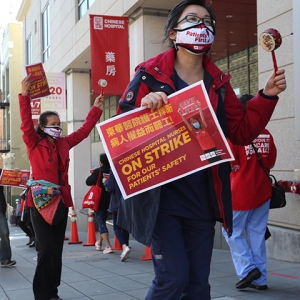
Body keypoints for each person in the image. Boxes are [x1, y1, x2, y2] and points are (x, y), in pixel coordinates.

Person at [115, 1, 286, 299]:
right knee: (173, 280)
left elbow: (241, 132)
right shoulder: (148, 75)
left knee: (198, 286)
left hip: (203, 200)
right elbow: (122, 130)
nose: (201, 26)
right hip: (161, 201)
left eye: (207, 22)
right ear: (173, 31)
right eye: (192, 19)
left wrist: (266, 96)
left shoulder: (218, 83)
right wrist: (145, 106)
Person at [19, 75, 104, 300]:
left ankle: (52, 292)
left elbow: (85, 131)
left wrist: (94, 109)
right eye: (53, 125)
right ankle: (42, 294)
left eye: (59, 124)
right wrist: (24, 96)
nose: (57, 128)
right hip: (38, 202)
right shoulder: (34, 142)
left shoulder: (65, 142)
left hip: (60, 201)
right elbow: (26, 123)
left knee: (56, 251)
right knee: (44, 249)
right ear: (43, 127)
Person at [222, 94, 277, 291]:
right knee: (257, 234)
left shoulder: (236, 136)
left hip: (240, 193)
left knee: (230, 231)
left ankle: (247, 270)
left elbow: (231, 164)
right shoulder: (266, 133)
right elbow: (270, 162)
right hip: (262, 191)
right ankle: (260, 279)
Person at [86, 153, 113, 254]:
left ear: (100, 162)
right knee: (102, 220)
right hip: (111, 199)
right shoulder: (113, 170)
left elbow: (88, 182)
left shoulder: (98, 171)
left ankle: (108, 246)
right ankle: (99, 243)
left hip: (99, 200)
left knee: (101, 222)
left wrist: (94, 173)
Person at [103, 170, 131, 261]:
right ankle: (126, 247)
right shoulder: (128, 165)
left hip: (117, 203)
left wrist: (105, 182)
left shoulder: (114, 169)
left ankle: (124, 247)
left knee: (117, 227)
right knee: (125, 227)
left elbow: (110, 187)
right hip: (128, 202)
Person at [0, 171, 17, 268]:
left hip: (0, 210)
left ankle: (5, 259)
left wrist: (16, 173)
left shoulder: (1, 172)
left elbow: (12, 178)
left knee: (5, 232)